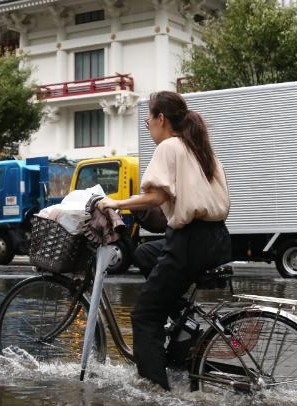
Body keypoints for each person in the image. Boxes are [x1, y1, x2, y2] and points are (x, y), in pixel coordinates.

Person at [97, 91, 232, 390]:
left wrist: (116, 204)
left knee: (145, 315)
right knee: (145, 254)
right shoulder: (198, 147)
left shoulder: (170, 146)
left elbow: (157, 196)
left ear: (161, 119)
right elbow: (172, 203)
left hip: (189, 243)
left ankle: (155, 391)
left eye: (148, 121)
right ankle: (185, 324)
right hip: (215, 238)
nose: (150, 127)